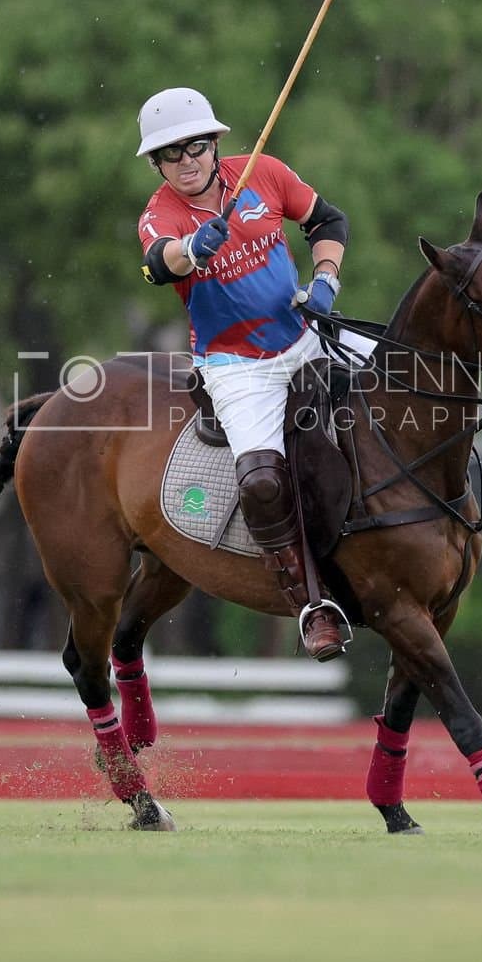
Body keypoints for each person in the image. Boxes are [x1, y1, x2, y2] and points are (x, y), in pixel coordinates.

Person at [136, 87, 350, 660]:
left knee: (399, 391)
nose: (186, 162)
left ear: (214, 144)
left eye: (195, 147)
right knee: (260, 479)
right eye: (171, 154)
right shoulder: (159, 215)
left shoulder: (266, 173)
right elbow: (159, 264)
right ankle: (311, 603)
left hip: (303, 337)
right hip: (234, 368)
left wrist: (325, 279)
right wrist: (191, 247)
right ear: (157, 163)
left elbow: (327, 219)